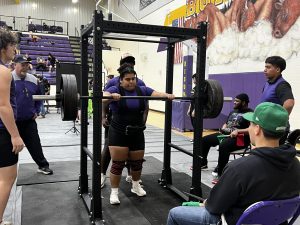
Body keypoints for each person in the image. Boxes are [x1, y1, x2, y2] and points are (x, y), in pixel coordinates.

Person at [167, 102, 300, 225]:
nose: (249, 127)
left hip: (236, 221)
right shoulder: (296, 164)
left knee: (175, 214)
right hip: (277, 221)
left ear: (257, 129)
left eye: (251, 124)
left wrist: (208, 203)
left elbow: (215, 207)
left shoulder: (239, 168)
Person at [103, 63, 175, 205]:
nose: (131, 82)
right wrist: (111, 96)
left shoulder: (142, 90)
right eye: (128, 79)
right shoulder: (114, 89)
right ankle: (114, 192)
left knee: (137, 164)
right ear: (121, 80)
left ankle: (136, 186)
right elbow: (102, 97)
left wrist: (167, 96)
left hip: (136, 132)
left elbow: (157, 94)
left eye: (133, 79)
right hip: (119, 132)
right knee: (117, 164)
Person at [101, 53, 147, 188]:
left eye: (131, 62)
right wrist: (103, 117)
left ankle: (130, 175)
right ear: (120, 65)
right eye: (125, 62)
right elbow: (103, 101)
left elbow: (146, 103)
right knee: (108, 149)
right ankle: (102, 175)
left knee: (132, 151)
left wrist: (143, 121)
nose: (128, 64)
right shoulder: (112, 82)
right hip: (115, 121)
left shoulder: (140, 82)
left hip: (134, 122)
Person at [12, 55, 53, 175]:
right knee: (8, 147)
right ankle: (8, 170)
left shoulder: (33, 80)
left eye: (27, 65)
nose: (25, 67)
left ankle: (43, 166)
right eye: (22, 64)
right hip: (12, 121)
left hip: (29, 120)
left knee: (35, 144)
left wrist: (36, 110)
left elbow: (40, 98)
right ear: (15, 64)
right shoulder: (8, 78)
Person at [0, 29, 24, 225]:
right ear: (3, 47)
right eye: (12, 46)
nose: (15, 49)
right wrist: (15, 136)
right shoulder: (3, 72)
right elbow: (3, 106)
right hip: (2, 131)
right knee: (6, 179)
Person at [200, 93, 252, 183]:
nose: (234, 102)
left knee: (223, 146)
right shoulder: (233, 112)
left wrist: (238, 131)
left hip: (241, 139)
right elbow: (227, 123)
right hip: (226, 135)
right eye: (234, 100)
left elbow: (251, 129)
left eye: (237, 101)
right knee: (205, 140)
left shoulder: (250, 113)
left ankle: (221, 174)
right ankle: (203, 163)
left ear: (243, 103)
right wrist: (224, 127)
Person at [261, 56, 294, 143]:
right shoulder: (267, 84)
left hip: (275, 130)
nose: (265, 70)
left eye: (268, 67)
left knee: (270, 156)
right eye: (265, 67)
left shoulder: (282, 85)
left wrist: (278, 123)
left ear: (278, 69)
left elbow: (289, 103)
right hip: (266, 127)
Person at [187, 73, 197, 142]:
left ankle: (197, 139)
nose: (193, 80)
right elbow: (192, 100)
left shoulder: (200, 89)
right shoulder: (193, 89)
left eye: (194, 78)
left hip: (197, 109)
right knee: (193, 125)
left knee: (197, 125)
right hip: (192, 108)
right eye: (193, 78)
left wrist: (195, 110)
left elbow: (199, 101)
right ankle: (195, 138)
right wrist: (189, 109)